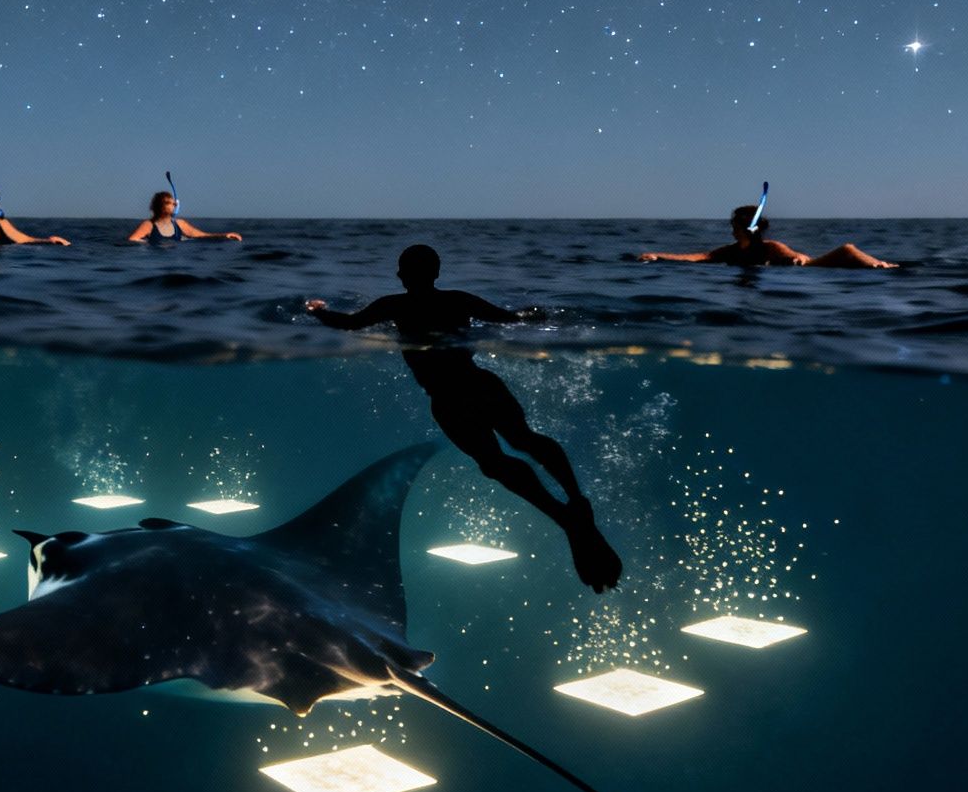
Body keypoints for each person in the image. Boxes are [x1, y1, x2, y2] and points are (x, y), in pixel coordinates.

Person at [306, 244, 623, 594]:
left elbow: (348, 324)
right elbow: (511, 319)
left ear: (402, 275)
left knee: (494, 462)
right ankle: (575, 501)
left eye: (402, 270)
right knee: (524, 439)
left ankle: (565, 517)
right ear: (437, 273)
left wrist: (318, 311)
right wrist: (540, 315)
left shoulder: (393, 305)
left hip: (447, 398)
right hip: (479, 383)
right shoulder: (458, 299)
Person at [639, 205, 896, 268]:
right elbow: (699, 256)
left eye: (735, 225)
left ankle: (879, 265)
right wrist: (658, 256)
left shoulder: (771, 247)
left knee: (847, 250)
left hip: (812, 269)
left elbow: (792, 256)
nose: (731, 229)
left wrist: (795, 259)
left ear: (745, 228)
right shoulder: (730, 251)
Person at [129, 191, 241, 242]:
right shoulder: (149, 225)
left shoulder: (179, 223)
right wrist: (148, 243)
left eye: (173, 203)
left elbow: (201, 235)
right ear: (160, 206)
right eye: (168, 203)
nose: (173, 205)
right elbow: (132, 239)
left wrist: (225, 235)